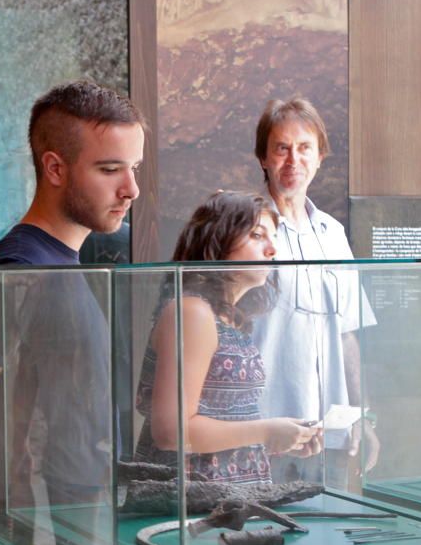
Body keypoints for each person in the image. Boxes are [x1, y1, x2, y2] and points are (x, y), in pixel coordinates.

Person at [0, 81, 145, 545]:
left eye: (134, 169)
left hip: (73, 510)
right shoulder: (17, 266)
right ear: (54, 168)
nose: (131, 189)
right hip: (35, 525)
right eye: (110, 169)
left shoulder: (64, 260)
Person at [133, 191, 319, 481]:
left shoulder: (228, 317)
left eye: (273, 238)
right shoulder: (193, 312)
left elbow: (224, 424)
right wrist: (267, 431)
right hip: (188, 505)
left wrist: (284, 439)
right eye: (257, 235)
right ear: (218, 240)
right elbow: (171, 432)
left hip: (223, 500)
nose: (272, 250)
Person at [250, 97, 379, 484]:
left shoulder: (334, 235)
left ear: (320, 156)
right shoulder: (246, 231)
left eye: (305, 148)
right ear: (263, 158)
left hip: (330, 436)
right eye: (282, 148)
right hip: (262, 434)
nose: (294, 161)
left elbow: (348, 334)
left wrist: (363, 416)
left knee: (328, 540)